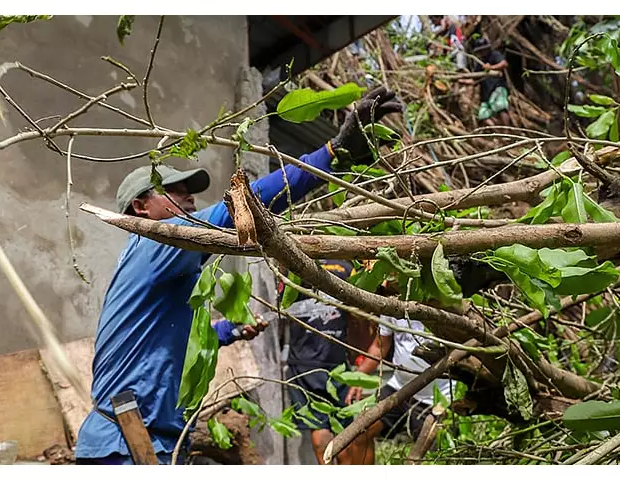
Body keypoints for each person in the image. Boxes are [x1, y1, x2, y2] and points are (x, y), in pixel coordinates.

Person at [74, 86, 403, 465]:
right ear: (141, 207)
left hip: (154, 443)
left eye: (191, 192)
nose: (190, 199)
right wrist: (329, 157)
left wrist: (228, 332)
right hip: (124, 445)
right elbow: (248, 201)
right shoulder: (156, 244)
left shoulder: (165, 268)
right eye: (176, 191)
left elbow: (166, 343)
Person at [282, 260, 372, 465]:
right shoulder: (347, 266)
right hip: (332, 362)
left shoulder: (291, 261)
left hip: (305, 363)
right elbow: (359, 316)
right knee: (343, 432)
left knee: (320, 428)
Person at [344, 315, 453, 464]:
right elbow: (379, 346)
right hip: (399, 388)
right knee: (360, 432)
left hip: (437, 397)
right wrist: (358, 376)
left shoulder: (440, 306)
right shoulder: (392, 305)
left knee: (434, 454)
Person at [461, 37, 511, 126]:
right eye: (480, 51)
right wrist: (462, 80)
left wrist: (491, 67)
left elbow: (504, 64)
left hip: (497, 87)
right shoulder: (480, 64)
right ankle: (499, 132)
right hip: (486, 93)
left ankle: (507, 132)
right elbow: (474, 80)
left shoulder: (495, 55)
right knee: (483, 115)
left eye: (484, 50)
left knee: (501, 108)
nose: (482, 52)